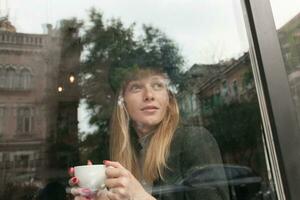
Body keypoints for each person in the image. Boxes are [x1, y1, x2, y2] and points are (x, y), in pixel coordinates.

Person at [69, 67, 229, 200]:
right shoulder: (125, 153)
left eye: (158, 85)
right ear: (122, 102)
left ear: (169, 100)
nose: (149, 95)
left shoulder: (194, 140)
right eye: (136, 87)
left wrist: (140, 196)